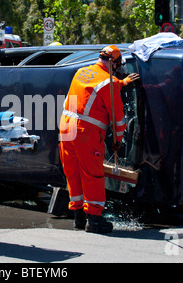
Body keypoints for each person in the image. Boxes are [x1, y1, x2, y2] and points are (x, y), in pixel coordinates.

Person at [59, 45, 139, 234]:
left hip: (65, 127)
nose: (118, 69)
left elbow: (98, 87)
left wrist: (122, 82)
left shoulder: (82, 72)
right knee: (92, 174)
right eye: (118, 65)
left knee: (73, 172)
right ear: (114, 63)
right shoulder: (108, 82)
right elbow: (118, 120)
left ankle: (78, 217)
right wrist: (118, 141)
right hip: (85, 133)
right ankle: (94, 220)